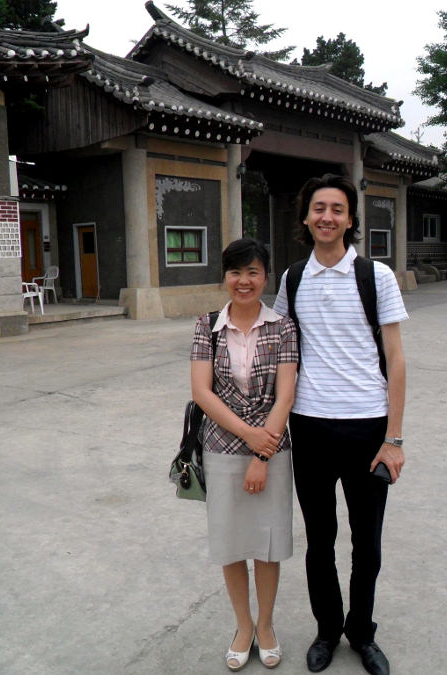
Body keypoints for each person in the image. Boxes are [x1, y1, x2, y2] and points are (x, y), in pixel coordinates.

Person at [273, 174, 407, 675]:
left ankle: (362, 632)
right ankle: (328, 629)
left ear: (350, 219)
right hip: (309, 427)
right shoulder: (291, 280)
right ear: (306, 218)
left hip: (368, 427)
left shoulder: (377, 277)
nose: (327, 216)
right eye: (318, 208)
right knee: (320, 539)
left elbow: (395, 358)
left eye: (337, 209)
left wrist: (393, 438)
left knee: (367, 543)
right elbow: (285, 355)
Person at [190, 238, 299, 671]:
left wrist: (262, 454)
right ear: (225, 277)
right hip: (220, 449)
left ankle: (267, 625)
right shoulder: (207, 325)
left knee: (267, 545)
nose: (244, 281)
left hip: (273, 449)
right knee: (232, 543)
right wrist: (246, 438)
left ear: (265, 277)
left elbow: (285, 395)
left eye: (253, 272)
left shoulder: (283, 327)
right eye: (236, 272)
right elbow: (201, 392)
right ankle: (242, 625)